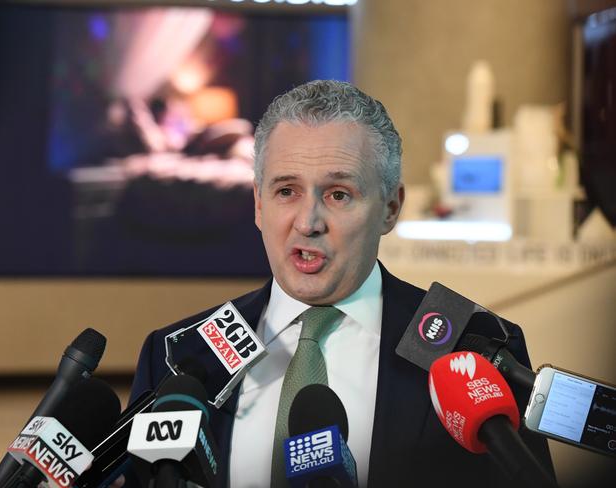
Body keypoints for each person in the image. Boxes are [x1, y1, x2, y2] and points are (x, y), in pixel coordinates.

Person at [129, 80, 554, 487]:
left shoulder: (476, 346)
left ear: (391, 208)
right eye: (286, 191)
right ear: (258, 204)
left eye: (338, 194)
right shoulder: (176, 354)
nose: (308, 223)